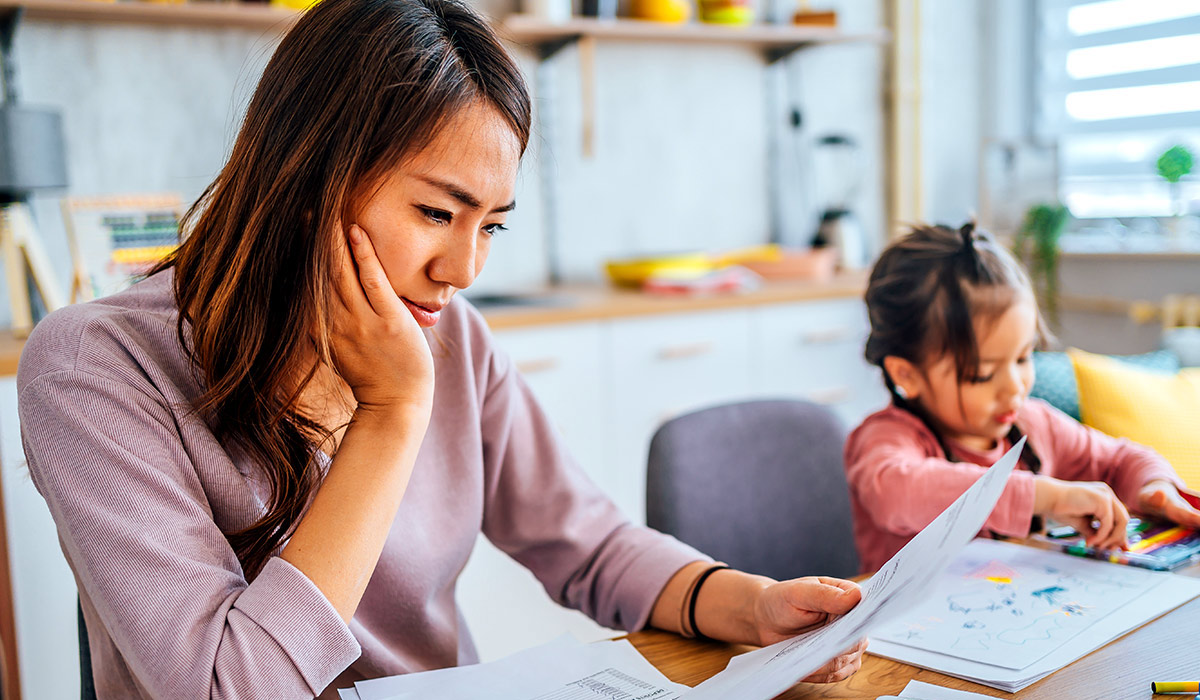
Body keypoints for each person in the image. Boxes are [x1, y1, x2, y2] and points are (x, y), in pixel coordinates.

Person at [17, 0, 867, 696]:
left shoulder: (448, 331)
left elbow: (589, 542)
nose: (461, 270)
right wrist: (390, 418)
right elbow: (227, 690)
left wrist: (751, 605)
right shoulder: (95, 368)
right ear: (311, 176)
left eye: (489, 226)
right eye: (435, 213)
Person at [844, 222, 1200, 573]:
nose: (1015, 387)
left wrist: (1154, 487)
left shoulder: (1033, 423)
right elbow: (901, 491)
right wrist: (1045, 496)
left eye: (1023, 358)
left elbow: (1121, 459)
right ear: (906, 373)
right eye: (981, 374)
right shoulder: (885, 439)